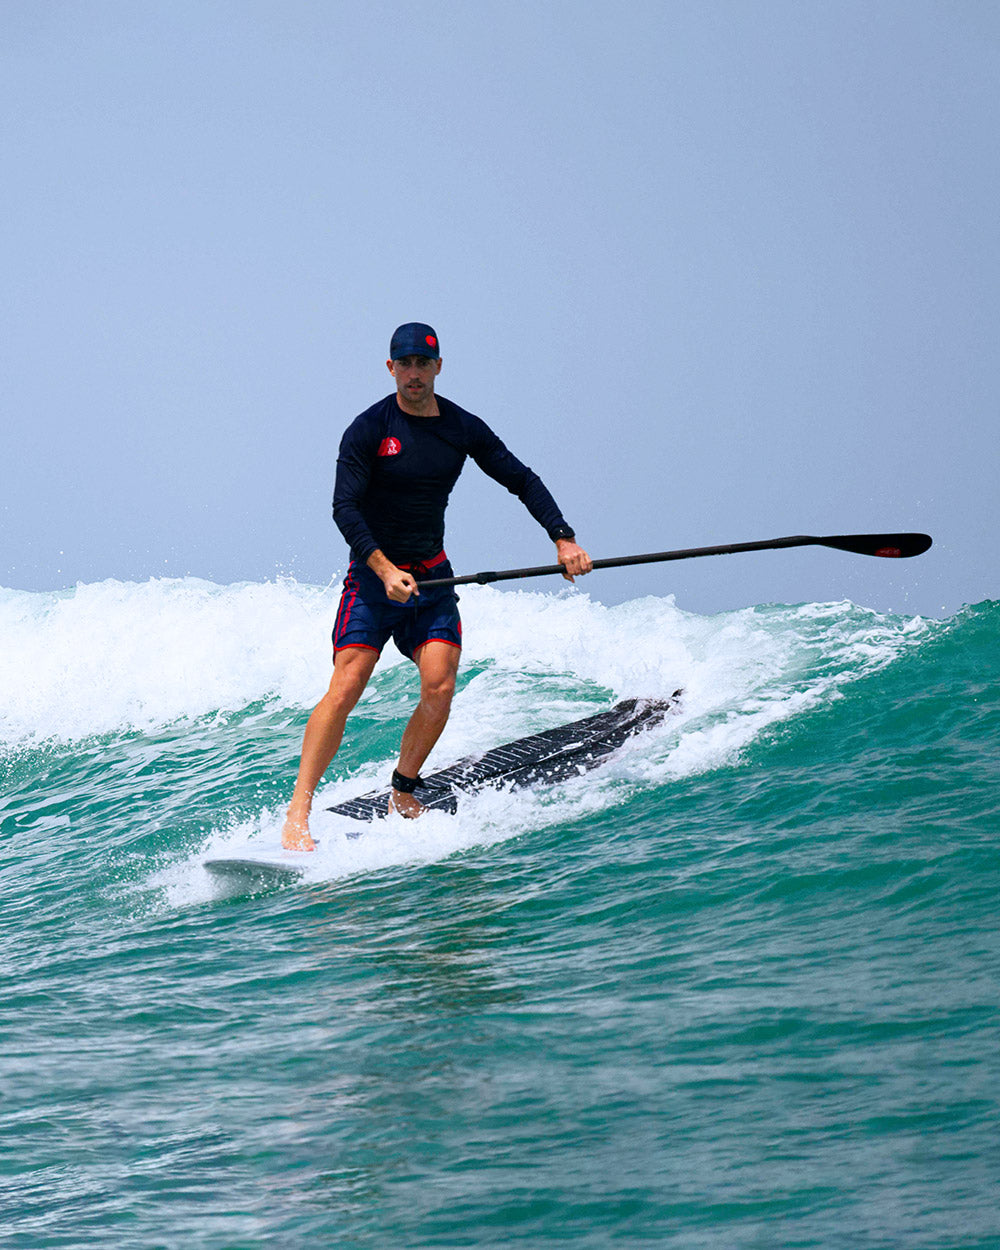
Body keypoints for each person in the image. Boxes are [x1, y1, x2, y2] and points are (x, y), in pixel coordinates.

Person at [281, 323, 592, 851]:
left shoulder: (461, 427)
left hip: (432, 577)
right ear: (391, 369)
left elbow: (521, 478)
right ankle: (298, 812)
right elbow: (344, 508)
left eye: (423, 364)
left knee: (440, 684)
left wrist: (563, 539)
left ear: (438, 367)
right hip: (373, 580)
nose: (414, 373)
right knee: (347, 684)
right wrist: (382, 569)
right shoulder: (368, 429)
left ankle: (402, 789)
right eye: (404, 364)